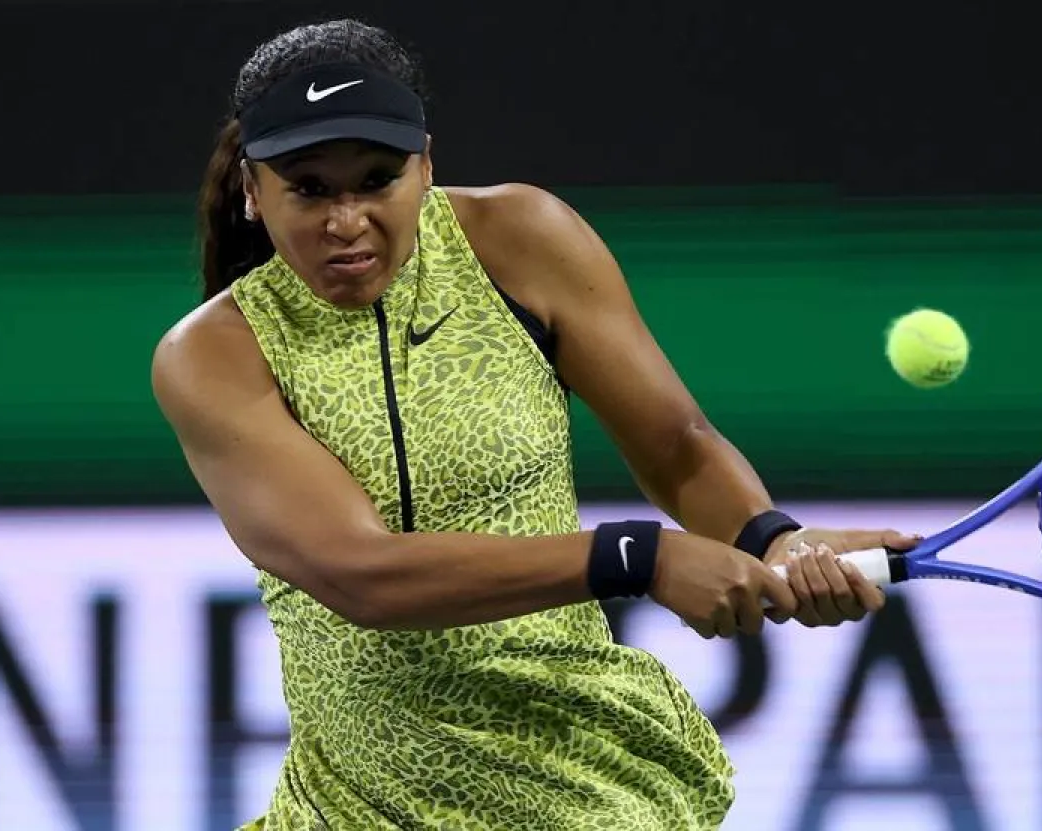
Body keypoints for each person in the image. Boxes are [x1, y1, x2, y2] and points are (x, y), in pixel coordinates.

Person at [151, 17, 918, 831]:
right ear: (252, 187)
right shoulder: (213, 356)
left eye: (378, 180)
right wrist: (640, 557)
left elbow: (676, 445)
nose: (347, 221)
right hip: (354, 807)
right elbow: (362, 574)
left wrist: (769, 537)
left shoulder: (521, 239)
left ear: (426, 164)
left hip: (579, 780)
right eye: (309, 188)